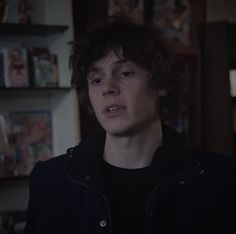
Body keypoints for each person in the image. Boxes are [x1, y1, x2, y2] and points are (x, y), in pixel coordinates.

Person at [24, 19, 236, 234]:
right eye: (96, 80)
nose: (107, 88)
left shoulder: (223, 181)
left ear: (161, 83)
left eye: (125, 73)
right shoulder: (50, 182)